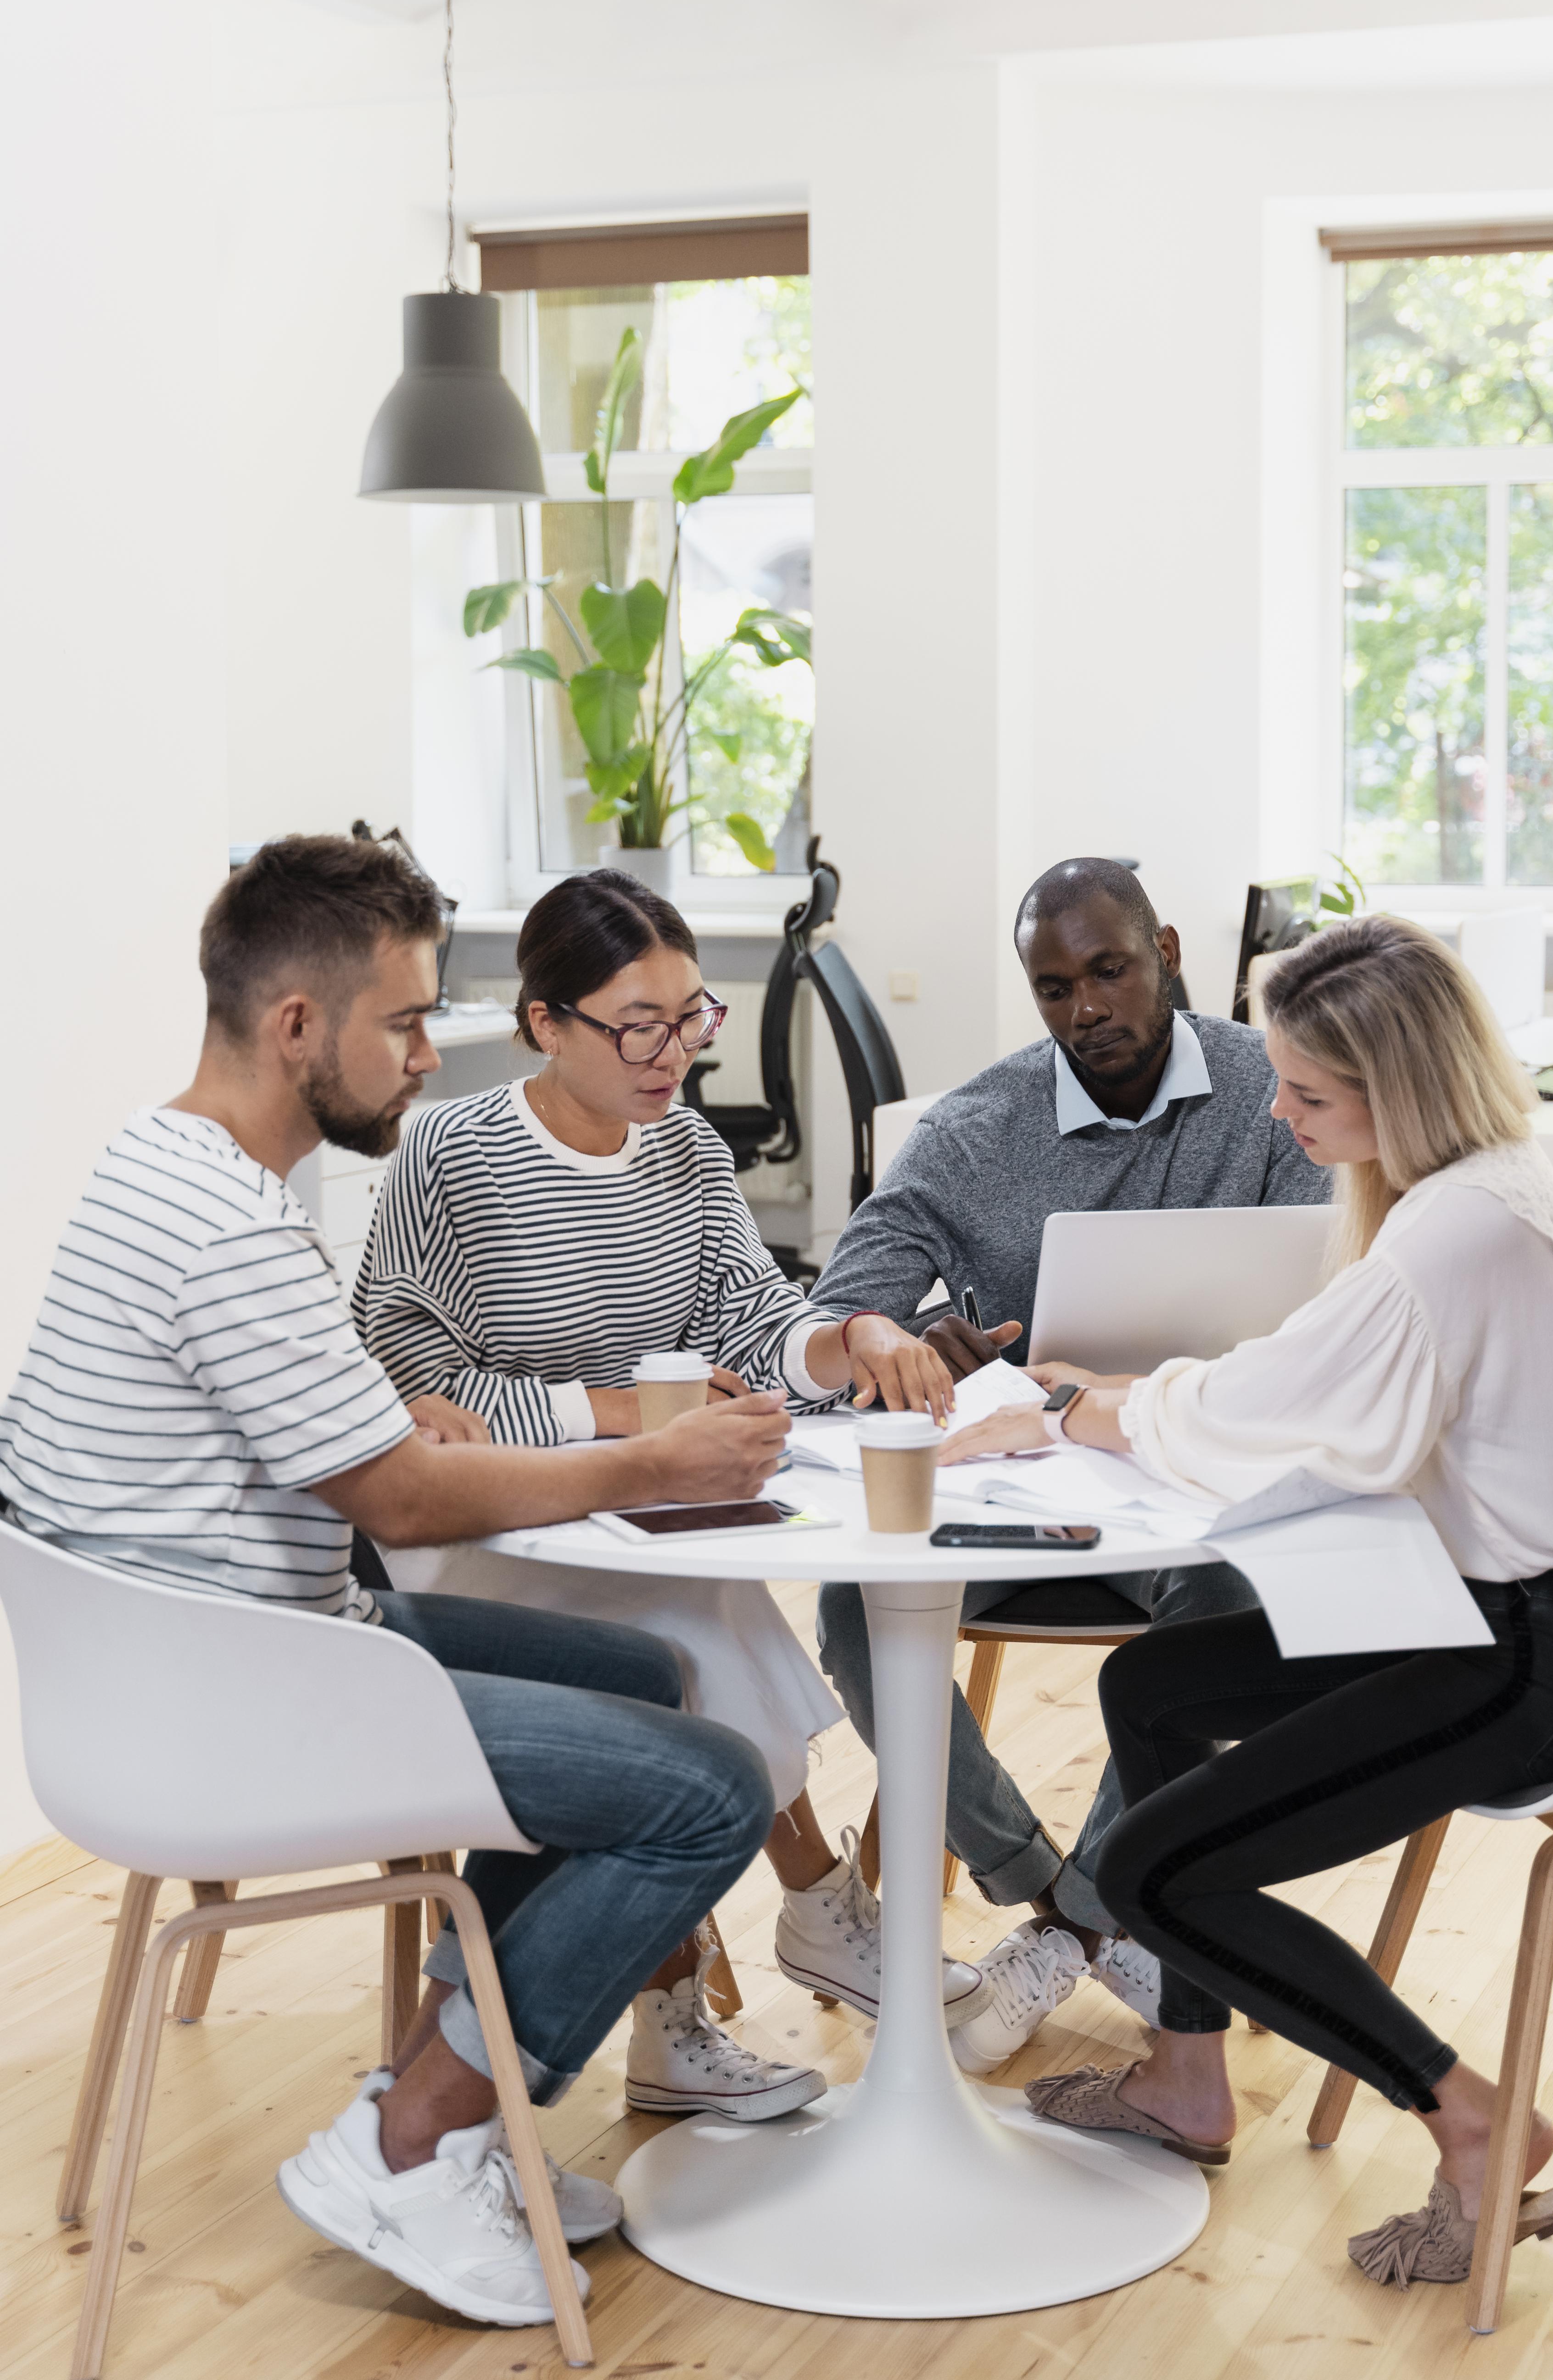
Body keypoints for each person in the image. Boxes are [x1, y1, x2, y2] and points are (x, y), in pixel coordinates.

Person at [0, 833, 800, 2331]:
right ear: (299, 1025)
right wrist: (648, 1462)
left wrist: (382, 1397)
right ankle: (410, 2132)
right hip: (244, 1698)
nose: (434, 1054)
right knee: (706, 1788)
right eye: (410, 1021)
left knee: (645, 1672)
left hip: (204, 1654)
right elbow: (404, 1497)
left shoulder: (167, 1164)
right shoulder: (232, 1228)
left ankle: (472, 2101)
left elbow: (344, 1436)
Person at [945, 912, 1553, 2289]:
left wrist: (1067, 1402)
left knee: (1158, 1868)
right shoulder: (1486, 1183)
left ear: (1405, 1088)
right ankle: (1187, 2077)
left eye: (1311, 1094)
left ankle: (1472, 2120)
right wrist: (1129, 1408)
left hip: (1535, 1653)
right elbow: (1308, 1387)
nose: (1279, 1111)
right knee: (1150, 1683)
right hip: (1507, 1611)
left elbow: (1261, 1401)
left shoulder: (1452, 1231)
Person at [353, 867, 990, 2107]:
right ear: (544, 1022)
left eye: (691, 1016)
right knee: (684, 1619)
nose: (675, 1054)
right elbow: (405, 1375)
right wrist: (620, 1421)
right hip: (479, 1523)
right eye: (637, 1023)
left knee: (680, 1609)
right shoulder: (453, 1152)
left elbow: (753, 1325)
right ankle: (810, 1916)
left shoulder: (687, 1154)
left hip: (626, 1509)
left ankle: (683, 2006)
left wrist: (849, 1338)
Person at [811, 857, 1331, 2065]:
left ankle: (1077, 1917)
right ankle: (1057, 1899)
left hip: (1201, 1489)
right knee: (851, 1611)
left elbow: (1318, 1313)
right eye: (1054, 989)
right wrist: (898, 1333)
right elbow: (846, 1311)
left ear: (1164, 949)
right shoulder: (975, 1129)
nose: (1086, 1008)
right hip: (1028, 1497)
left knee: (1221, 1613)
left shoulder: (1276, 1092)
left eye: (1107, 971)